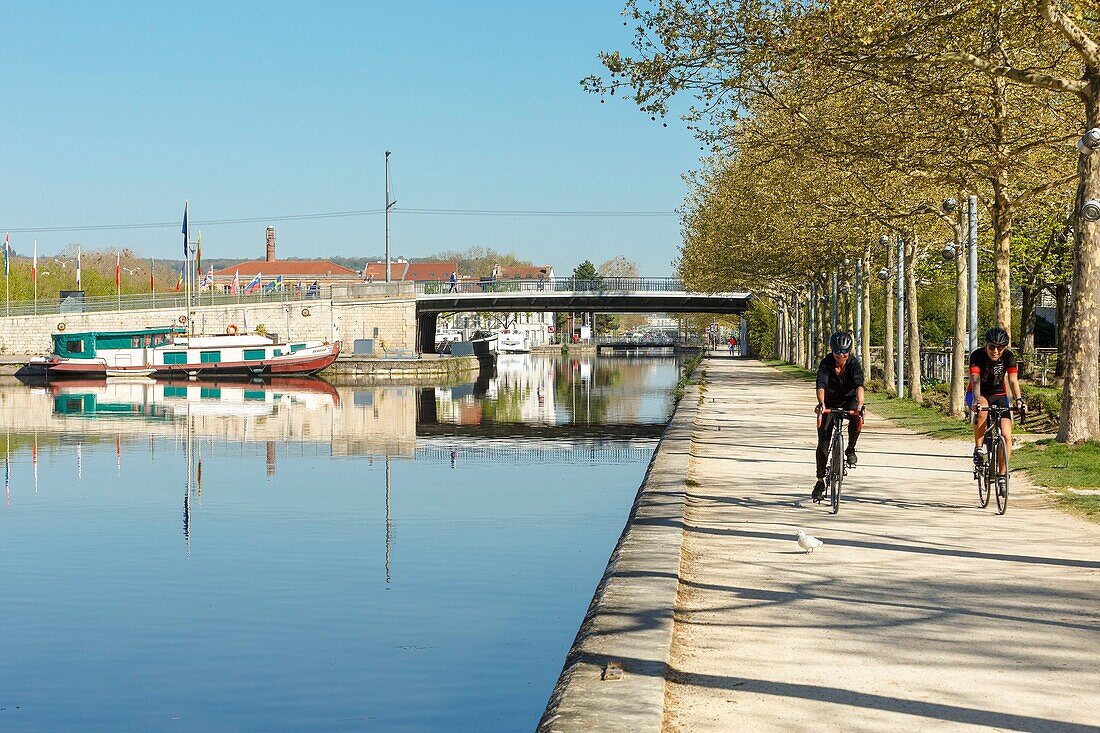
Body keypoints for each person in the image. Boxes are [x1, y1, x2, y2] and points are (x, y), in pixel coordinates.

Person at [812, 331, 865, 502]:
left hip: (848, 399)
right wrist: (821, 404)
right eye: (837, 352)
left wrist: (860, 404)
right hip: (829, 400)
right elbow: (820, 385)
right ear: (832, 351)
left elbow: (859, 385)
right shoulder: (826, 363)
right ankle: (820, 481)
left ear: (849, 351)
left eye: (844, 352)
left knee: (857, 417)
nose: (841, 356)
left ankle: (850, 447)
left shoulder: (854, 364)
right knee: (823, 443)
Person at [969, 326, 1026, 479]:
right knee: (983, 410)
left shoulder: (1008, 357)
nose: (995, 351)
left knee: (1007, 435)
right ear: (986, 345)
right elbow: (975, 381)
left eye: (1000, 348)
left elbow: (1013, 381)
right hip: (978, 393)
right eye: (992, 347)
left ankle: (1002, 474)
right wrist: (975, 400)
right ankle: (979, 448)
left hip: (999, 395)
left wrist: (1019, 400)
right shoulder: (977, 356)